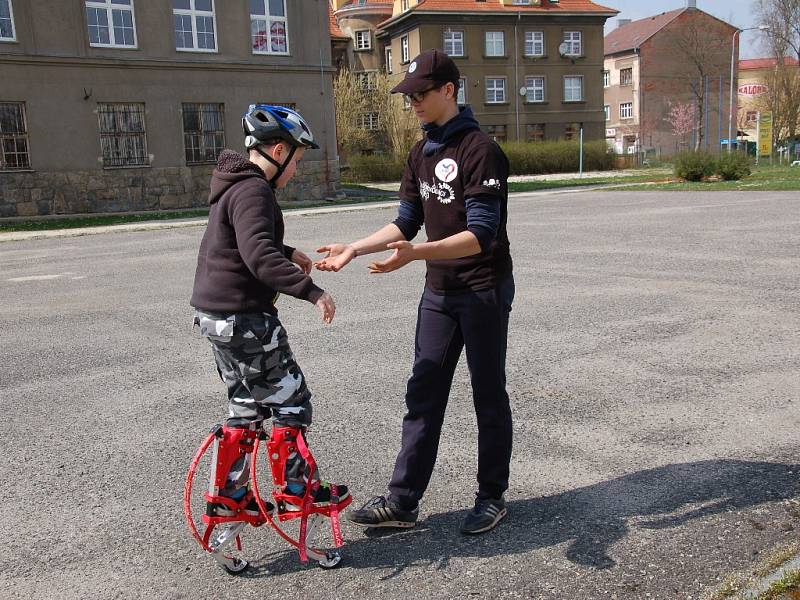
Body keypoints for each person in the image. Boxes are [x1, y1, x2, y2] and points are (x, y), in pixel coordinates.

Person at [316, 50, 514, 535]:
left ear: (449, 89)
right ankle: (403, 501)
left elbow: (481, 234)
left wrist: (415, 254)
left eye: (421, 95)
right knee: (423, 391)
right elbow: (406, 220)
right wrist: (356, 248)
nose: (414, 104)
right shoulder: (421, 152)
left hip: (483, 289)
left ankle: (491, 497)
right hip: (440, 294)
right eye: (410, 97)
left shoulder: (479, 149)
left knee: (487, 395)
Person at [191, 104, 348, 517]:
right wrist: (312, 291)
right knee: (291, 400)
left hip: (216, 315)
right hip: (244, 317)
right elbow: (258, 255)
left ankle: (229, 496)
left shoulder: (235, 184)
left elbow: (243, 242)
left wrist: (288, 250)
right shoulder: (255, 190)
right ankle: (299, 491)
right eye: (296, 158)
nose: (297, 168)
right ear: (278, 151)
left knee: (245, 405)